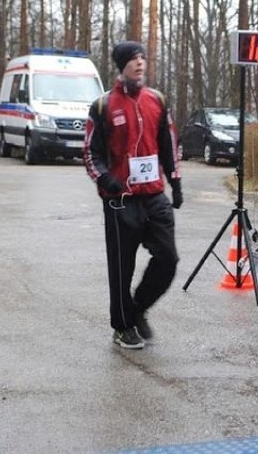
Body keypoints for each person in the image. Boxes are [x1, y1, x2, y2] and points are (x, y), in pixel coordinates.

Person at [83, 40, 183, 350]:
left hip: (154, 196)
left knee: (168, 258)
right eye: (133, 58)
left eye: (142, 57)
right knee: (121, 268)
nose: (140, 63)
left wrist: (176, 182)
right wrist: (106, 179)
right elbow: (89, 152)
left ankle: (138, 308)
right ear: (121, 65)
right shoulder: (103, 106)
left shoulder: (157, 101)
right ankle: (123, 326)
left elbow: (169, 145)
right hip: (120, 200)